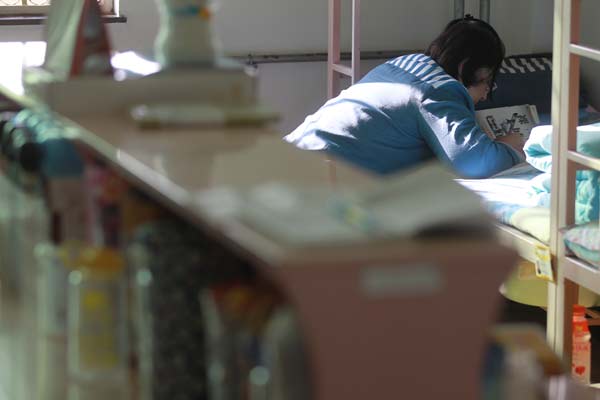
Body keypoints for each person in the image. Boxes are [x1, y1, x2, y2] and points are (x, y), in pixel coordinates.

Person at [284, 15, 525, 178]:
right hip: (317, 176)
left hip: (292, 153)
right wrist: (510, 147)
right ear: (466, 68)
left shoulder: (404, 65)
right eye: (487, 81)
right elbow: (476, 163)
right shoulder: (439, 91)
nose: (485, 95)